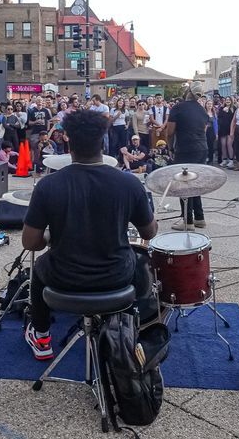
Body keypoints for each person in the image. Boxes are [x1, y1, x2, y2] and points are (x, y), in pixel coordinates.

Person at [21, 108, 157, 360]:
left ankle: (41, 337)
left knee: (40, 264)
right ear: (103, 140)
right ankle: (129, 332)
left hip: (64, 278)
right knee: (137, 259)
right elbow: (150, 232)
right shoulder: (128, 183)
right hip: (117, 276)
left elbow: (30, 243)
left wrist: (52, 236)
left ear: (67, 140)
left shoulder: (48, 186)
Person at [167, 87, 209, 231]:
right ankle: (199, 218)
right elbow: (203, 130)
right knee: (195, 183)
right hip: (202, 148)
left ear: (188, 92)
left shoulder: (178, 108)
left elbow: (170, 131)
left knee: (184, 184)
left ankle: (187, 221)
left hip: (186, 149)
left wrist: (170, 148)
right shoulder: (202, 109)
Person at [217, 96, 235, 168]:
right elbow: (219, 117)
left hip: (230, 129)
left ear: (231, 101)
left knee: (229, 144)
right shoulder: (221, 108)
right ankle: (224, 159)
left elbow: (234, 119)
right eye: (226, 100)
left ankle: (231, 160)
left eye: (229, 99)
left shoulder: (234, 109)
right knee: (223, 144)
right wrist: (224, 111)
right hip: (223, 129)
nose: (227, 101)